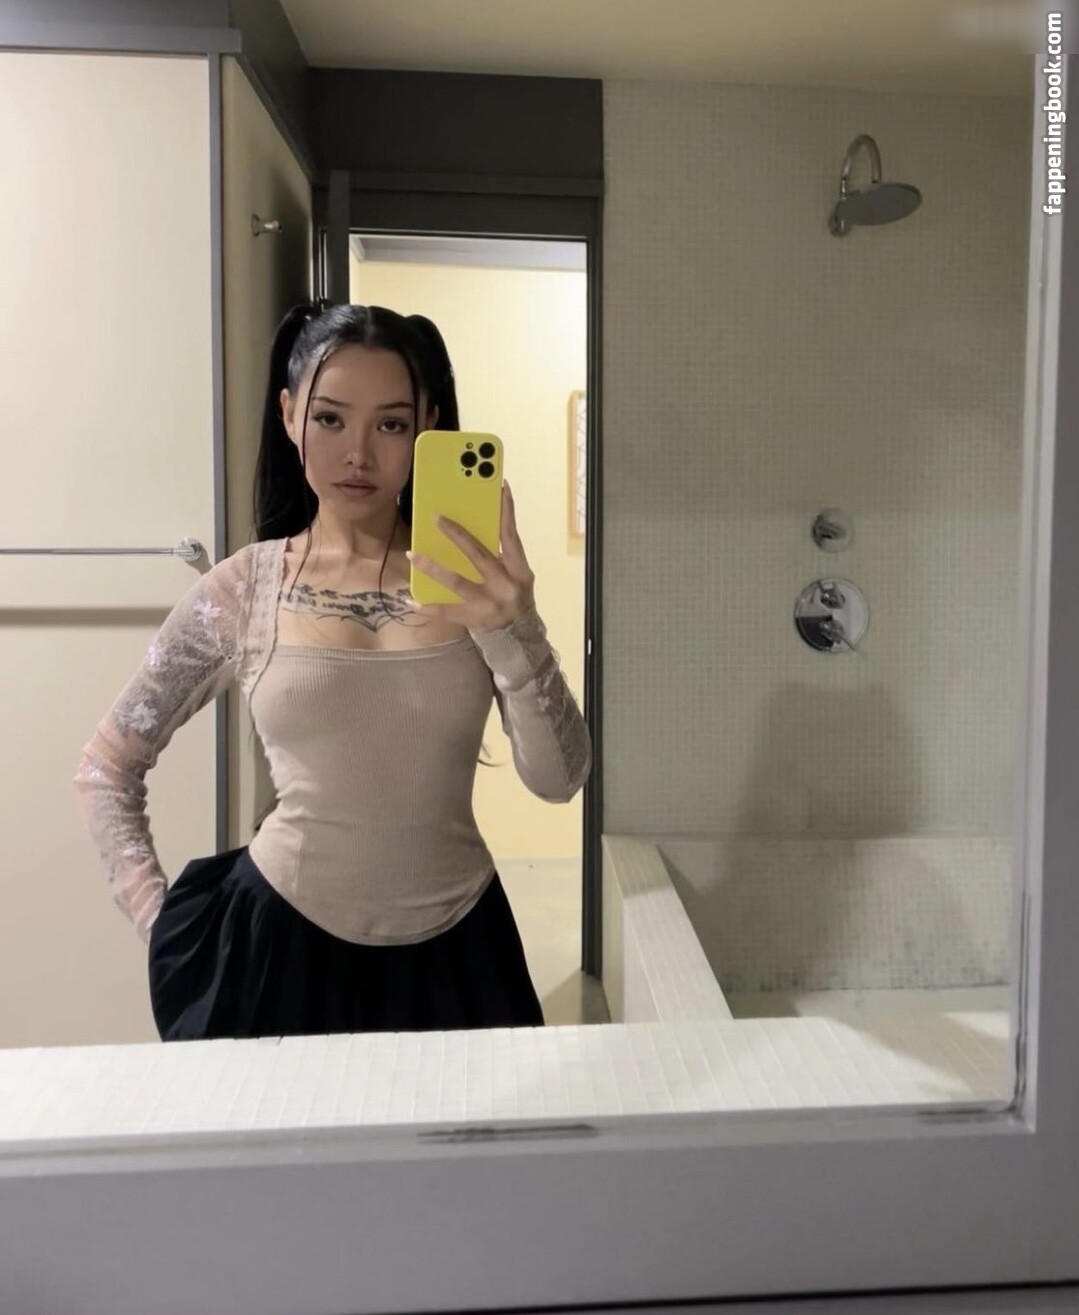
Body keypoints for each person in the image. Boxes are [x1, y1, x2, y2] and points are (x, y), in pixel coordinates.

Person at [73, 301, 592, 1041]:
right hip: (276, 949)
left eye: (391, 424)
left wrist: (517, 629)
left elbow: (560, 777)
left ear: (428, 427)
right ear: (289, 415)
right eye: (330, 419)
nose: (358, 454)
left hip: (463, 953)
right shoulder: (244, 588)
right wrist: (157, 920)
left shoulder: (475, 585)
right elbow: (106, 767)